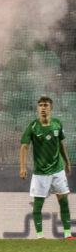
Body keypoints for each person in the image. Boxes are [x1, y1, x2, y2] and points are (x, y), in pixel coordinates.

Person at [19, 96, 73, 240]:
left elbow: (61, 145)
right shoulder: (33, 126)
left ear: (51, 108)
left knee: (63, 201)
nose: (43, 108)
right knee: (38, 204)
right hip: (40, 172)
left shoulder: (57, 124)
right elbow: (24, 147)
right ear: (38, 108)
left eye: (46, 105)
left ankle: (68, 234)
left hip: (58, 169)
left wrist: (67, 162)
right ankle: (40, 236)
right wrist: (23, 167)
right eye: (41, 105)